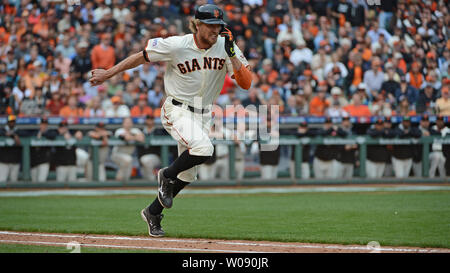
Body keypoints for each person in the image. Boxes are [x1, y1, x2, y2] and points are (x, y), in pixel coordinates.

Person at [89, 4, 252, 237]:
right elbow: (141, 57)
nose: (216, 30)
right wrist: (107, 73)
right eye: (211, 25)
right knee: (204, 148)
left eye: (219, 26)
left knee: (186, 176)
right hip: (177, 109)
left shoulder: (226, 47)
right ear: (197, 24)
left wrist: (232, 53)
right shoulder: (177, 44)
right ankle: (165, 175)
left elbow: (246, 83)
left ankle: (153, 212)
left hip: (204, 114)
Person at [112, 117, 145, 181]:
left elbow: (142, 139)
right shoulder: (119, 130)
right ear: (123, 124)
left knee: (126, 173)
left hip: (128, 155)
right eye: (126, 122)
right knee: (128, 159)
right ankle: (120, 181)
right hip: (117, 154)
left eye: (130, 122)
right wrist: (135, 137)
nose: (128, 124)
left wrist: (131, 136)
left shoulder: (135, 130)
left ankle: (122, 182)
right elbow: (126, 138)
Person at [29, 117, 57, 183]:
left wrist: (42, 134)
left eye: (45, 124)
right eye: (42, 124)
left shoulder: (49, 133)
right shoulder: (34, 132)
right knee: (34, 182)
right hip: (34, 162)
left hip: (44, 161)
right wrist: (37, 135)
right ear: (39, 125)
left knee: (41, 181)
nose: (44, 126)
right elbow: (26, 135)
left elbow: (53, 135)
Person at [137, 115, 163, 181]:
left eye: (151, 119)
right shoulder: (141, 132)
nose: (149, 121)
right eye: (148, 119)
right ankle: (151, 181)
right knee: (145, 177)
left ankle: (153, 180)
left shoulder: (158, 131)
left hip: (156, 157)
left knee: (145, 160)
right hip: (143, 158)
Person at [0, 115, 22, 183]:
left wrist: (14, 135)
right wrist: (7, 134)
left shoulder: (18, 131)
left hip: (15, 161)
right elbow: (2, 132)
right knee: (2, 181)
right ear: (7, 122)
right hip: (4, 161)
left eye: (13, 122)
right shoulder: (3, 130)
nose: (12, 123)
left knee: (14, 182)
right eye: (10, 122)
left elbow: (25, 134)